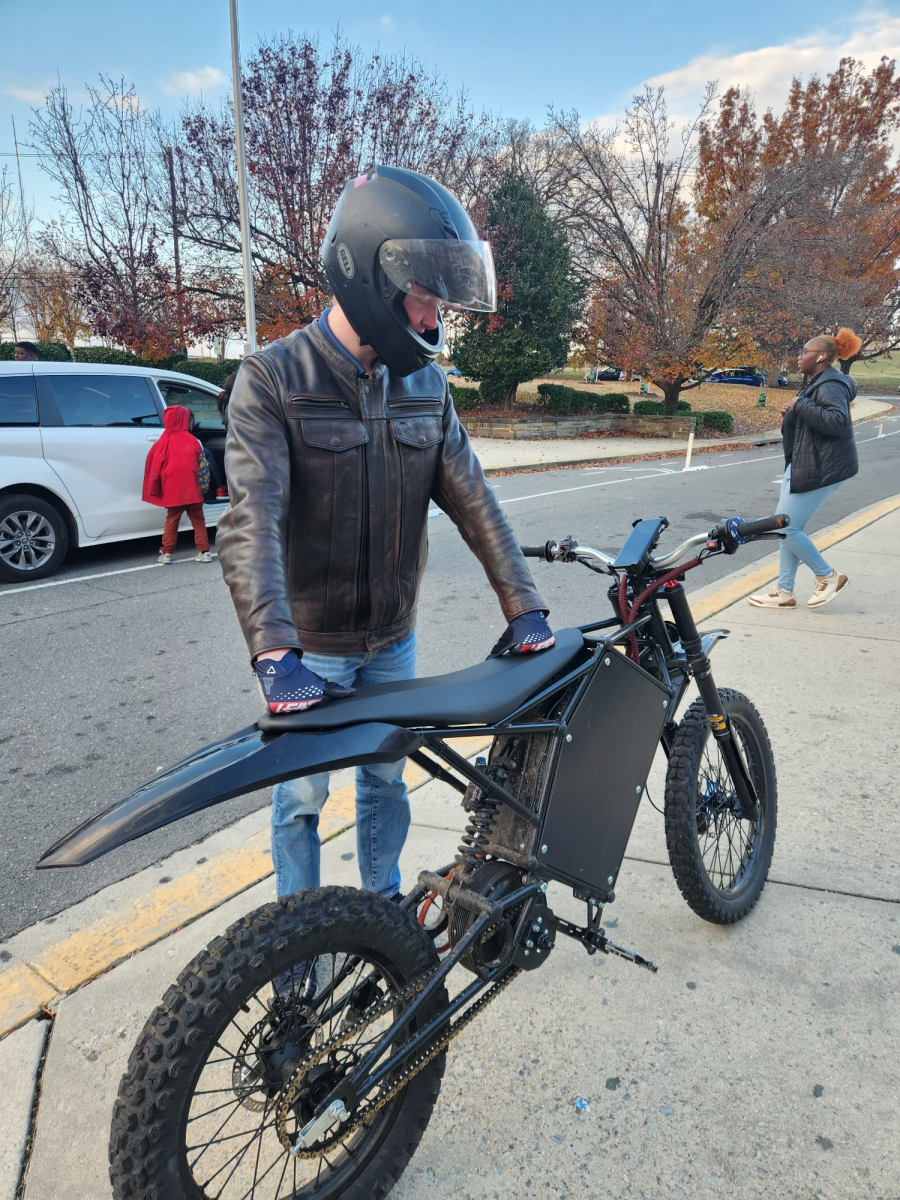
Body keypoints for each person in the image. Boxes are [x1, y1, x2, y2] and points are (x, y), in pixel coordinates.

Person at [216, 165, 554, 913]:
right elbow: (252, 520)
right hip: (310, 648)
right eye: (426, 299)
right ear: (372, 277)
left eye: (439, 304)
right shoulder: (273, 380)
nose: (434, 321)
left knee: (384, 783)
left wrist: (522, 605)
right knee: (299, 800)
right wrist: (275, 649)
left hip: (391, 643)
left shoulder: (426, 388)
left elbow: (475, 500)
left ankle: (383, 917)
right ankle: (293, 941)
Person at [749, 327, 860, 609]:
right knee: (789, 528)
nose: (799, 357)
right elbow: (813, 415)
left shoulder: (830, 384)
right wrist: (795, 411)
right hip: (805, 464)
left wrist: (801, 405)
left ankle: (828, 576)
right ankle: (784, 591)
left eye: (804, 352)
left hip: (822, 467)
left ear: (822, 356)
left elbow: (836, 422)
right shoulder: (819, 381)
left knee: (784, 528)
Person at [142, 404, 212, 565]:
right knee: (198, 521)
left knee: (172, 521)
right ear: (186, 421)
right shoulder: (195, 441)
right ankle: (205, 551)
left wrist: (154, 488)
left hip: (173, 491)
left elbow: (153, 469)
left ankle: (166, 553)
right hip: (194, 490)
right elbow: (203, 464)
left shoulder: (162, 443)